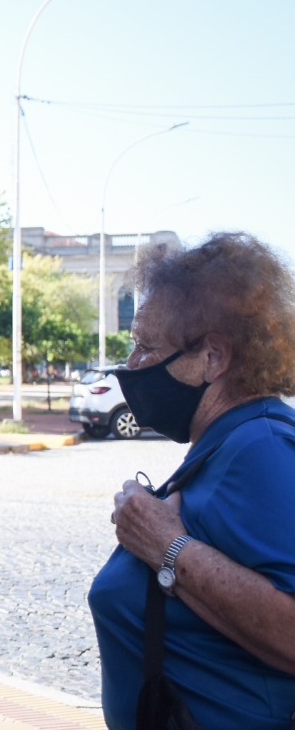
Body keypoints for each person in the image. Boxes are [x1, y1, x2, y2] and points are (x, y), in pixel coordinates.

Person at [89, 233, 295, 729]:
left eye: (146, 347)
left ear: (213, 358)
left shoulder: (259, 446)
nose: (130, 367)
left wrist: (165, 544)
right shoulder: (227, 441)